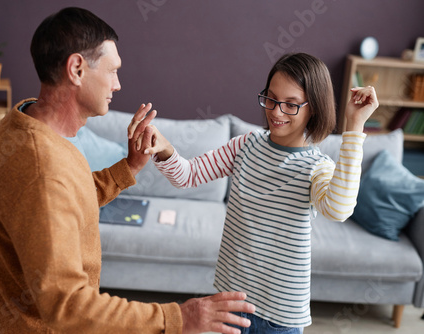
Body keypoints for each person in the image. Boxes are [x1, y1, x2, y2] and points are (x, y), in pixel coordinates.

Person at [0, 7, 255, 334]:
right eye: (112, 71)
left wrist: (129, 166)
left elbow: (65, 204)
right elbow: (67, 306)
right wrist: (179, 318)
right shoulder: (43, 166)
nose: (118, 84)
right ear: (77, 69)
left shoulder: (22, 123)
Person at [135, 53, 379, 333]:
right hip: (232, 302)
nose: (276, 112)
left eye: (291, 105)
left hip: (281, 315)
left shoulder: (316, 167)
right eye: (272, 99)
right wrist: (164, 147)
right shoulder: (245, 146)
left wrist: (355, 126)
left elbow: (338, 209)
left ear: (314, 108)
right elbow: (188, 175)